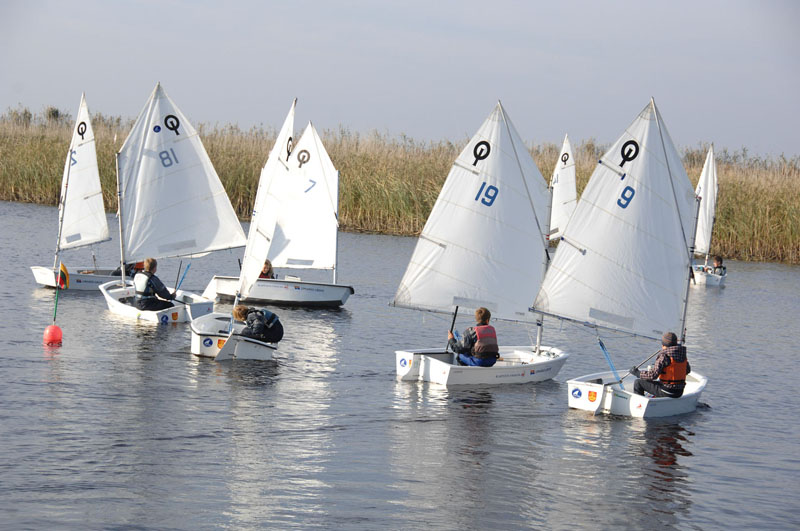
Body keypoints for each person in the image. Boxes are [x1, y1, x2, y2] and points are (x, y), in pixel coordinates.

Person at [630, 331, 691, 398]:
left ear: (663, 345)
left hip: (667, 391)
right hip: (679, 392)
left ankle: (639, 406)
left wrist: (637, 373)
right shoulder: (682, 354)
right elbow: (687, 370)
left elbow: (653, 375)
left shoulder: (664, 355)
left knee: (638, 383)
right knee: (658, 382)